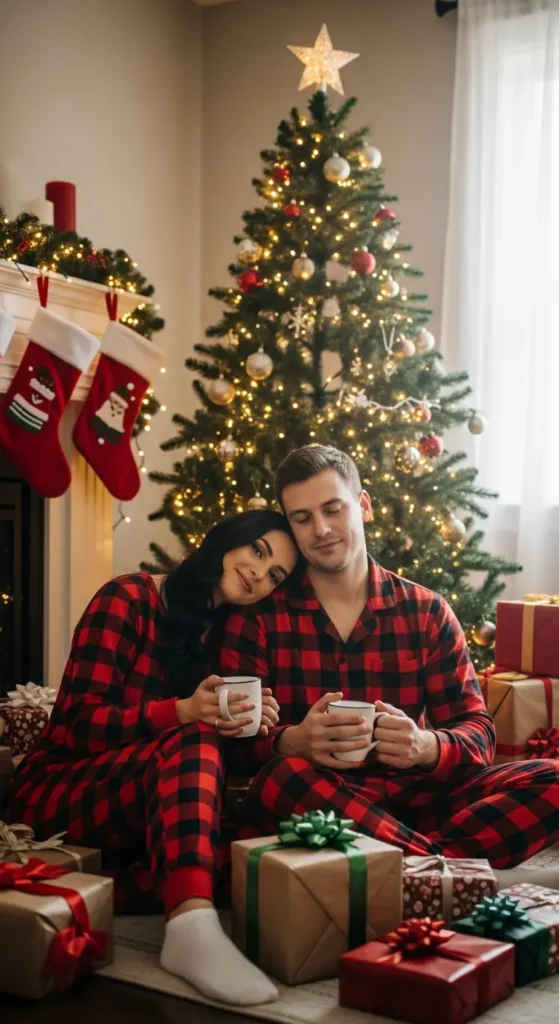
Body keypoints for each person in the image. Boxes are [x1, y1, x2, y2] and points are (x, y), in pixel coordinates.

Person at [5, 509, 298, 1006]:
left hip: (135, 801)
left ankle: (130, 891)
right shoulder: (128, 598)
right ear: (227, 539)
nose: (258, 573)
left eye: (274, 575)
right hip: (53, 791)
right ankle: (191, 924)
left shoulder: (225, 636)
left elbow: (194, 772)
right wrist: (182, 712)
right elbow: (77, 724)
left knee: (245, 849)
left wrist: (249, 722)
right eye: (258, 550)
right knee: (194, 741)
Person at [218, 445, 559, 869]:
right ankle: (437, 869)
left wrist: (424, 745)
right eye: (302, 518)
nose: (321, 529)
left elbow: (478, 733)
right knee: (279, 780)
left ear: (363, 505)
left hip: (421, 799)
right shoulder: (259, 618)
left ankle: (409, 865)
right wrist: (292, 742)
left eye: (333, 509)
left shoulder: (427, 611)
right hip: (319, 798)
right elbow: (232, 745)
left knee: (554, 777)